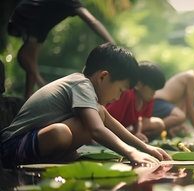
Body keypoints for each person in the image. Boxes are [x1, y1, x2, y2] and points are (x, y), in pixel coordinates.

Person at [0, 42, 171, 169]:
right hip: (11, 148)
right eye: (120, 90)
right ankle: (62, 156)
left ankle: (64, 156)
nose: (118, 97)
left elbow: (112, 124)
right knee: (61, 133)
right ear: (103, 77)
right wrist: (130, 152)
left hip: (30, 143)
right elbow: (97, 129)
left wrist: (145, 147)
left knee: (98, 113)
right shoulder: (81, 85)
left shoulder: (85, 88)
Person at [7, 0, 116, 99]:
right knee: (28, 56)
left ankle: (29, 94)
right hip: (31, 15)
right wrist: (112, 43)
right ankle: (41, 85)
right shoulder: (71, 2)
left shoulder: (72, 3)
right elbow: (92, 21)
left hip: (41, 25)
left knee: (31, 55)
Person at [106, 61, 166, 143]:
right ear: (138, 85)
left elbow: (138, 118)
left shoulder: (148, 99)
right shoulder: (127, 94)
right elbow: (107, 117)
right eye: (152, 89)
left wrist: (138, 132)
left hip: (124, 128)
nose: (154, 93)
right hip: (109, 126)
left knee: (159, 124)